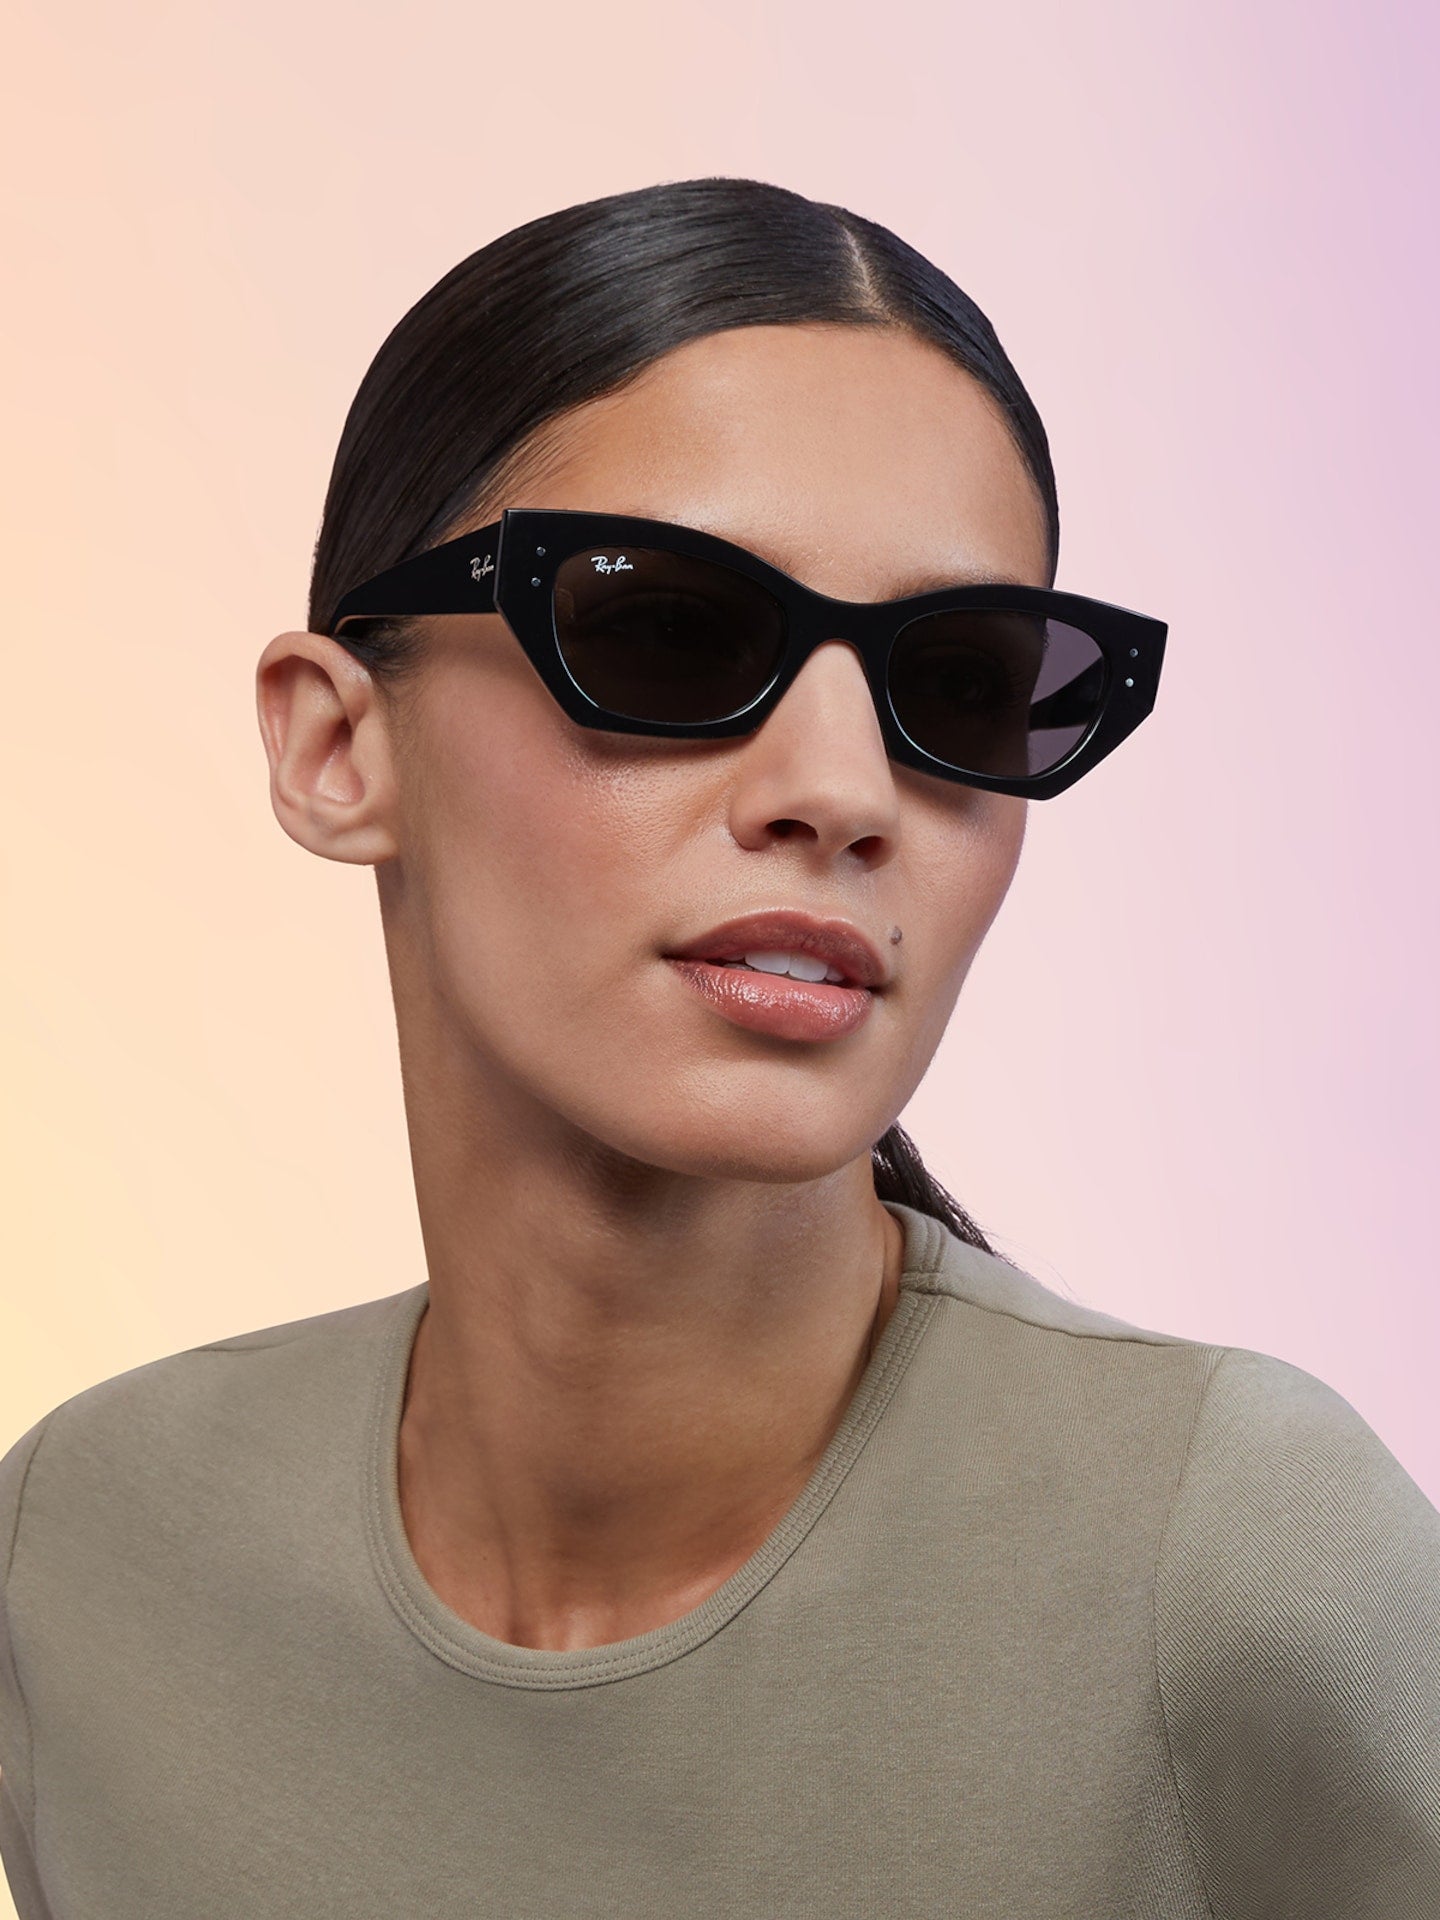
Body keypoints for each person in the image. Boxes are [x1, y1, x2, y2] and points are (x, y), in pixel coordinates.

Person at [1, 176, 1436, 1919]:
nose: (840, 789)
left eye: (959, 682)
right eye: (666, 629)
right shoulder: (84, 1554)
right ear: (335, 748)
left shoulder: (1235, 1555)